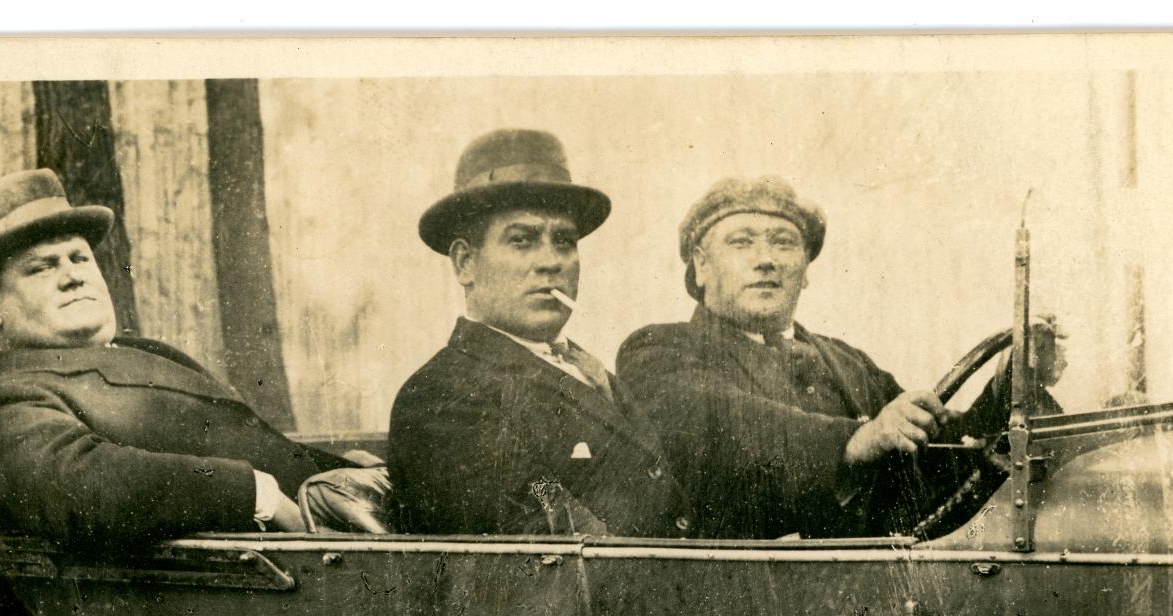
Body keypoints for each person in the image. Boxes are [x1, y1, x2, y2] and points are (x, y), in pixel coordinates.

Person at [616, 176, 1063, 540]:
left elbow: (935, 458)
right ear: (700, 265)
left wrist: (1014, 382)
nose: (766, 260)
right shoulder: (658, 351)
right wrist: (854, 440)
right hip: (738, 613)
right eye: (741, 242)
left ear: (805, 271)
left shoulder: (847, 362)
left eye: (783, 243)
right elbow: (716, 426)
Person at [0, 168, 349, 547]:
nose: (72, 276)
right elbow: (82, 482)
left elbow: (247, 440)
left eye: (79, 258)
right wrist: (253, 493)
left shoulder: (150, 352)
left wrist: (341, 469)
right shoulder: (8, 401)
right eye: (42, 267)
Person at [388, 130, 692, 537]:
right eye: (522, 241)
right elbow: (553, 542)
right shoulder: (444, 397)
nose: (551, 261)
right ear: (465, 264)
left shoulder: (585, 367)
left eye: (564, 241)